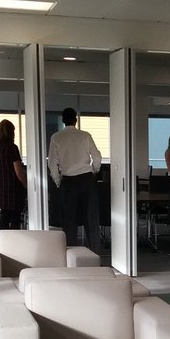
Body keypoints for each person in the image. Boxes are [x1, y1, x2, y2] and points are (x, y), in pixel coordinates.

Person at [47, 107, 102, 249]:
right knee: (91, 219)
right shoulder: (85, 135)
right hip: (86, 179)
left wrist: (58, 181)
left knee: (69, 220)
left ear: (63, 120)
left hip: (68, 181)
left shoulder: (56, 137)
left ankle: (71, 255)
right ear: (76, 120)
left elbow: (52, 162)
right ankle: (94, 255)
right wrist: (94, 171)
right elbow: (97, 156)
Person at [0, 119, 27, 229]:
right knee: (15, 216)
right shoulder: (12, 147)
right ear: (11, 132)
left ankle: (3, 241)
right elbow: (18, 171)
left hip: (0, 187)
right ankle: (15, 241)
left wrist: (0, 176)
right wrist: (26, 185)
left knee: (4, 216)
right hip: (13, 187)